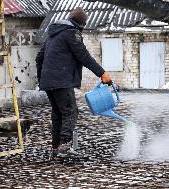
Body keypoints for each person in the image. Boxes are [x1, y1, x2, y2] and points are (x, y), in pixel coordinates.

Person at [36, 7, 112, 160]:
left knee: (58, 114)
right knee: (70, 112)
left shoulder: (53, 33)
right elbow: (83, 56)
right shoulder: (71, 33)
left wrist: (42, 79)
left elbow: (39, 58)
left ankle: (56, 149)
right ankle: (64, 146)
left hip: (48, 81)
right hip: (61, 81)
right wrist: (102, 73)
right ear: (81, 25)